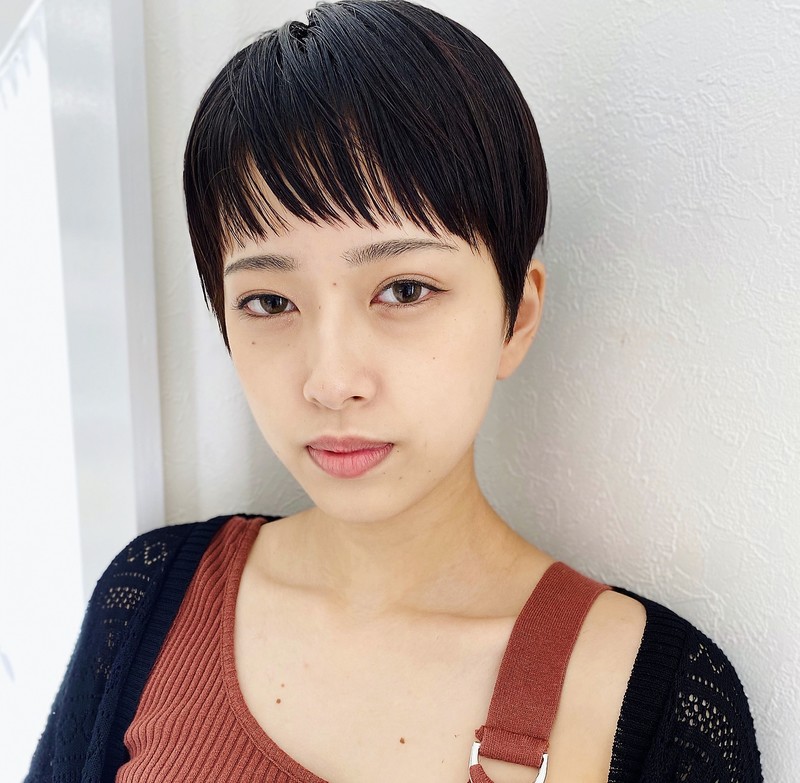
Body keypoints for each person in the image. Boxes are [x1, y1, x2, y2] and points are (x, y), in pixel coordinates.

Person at [26, 1, 762, 781]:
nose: (331, 381)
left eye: (404, 290)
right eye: (269, 301)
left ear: (517, 315)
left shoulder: (654, 698)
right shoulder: (149, 601)